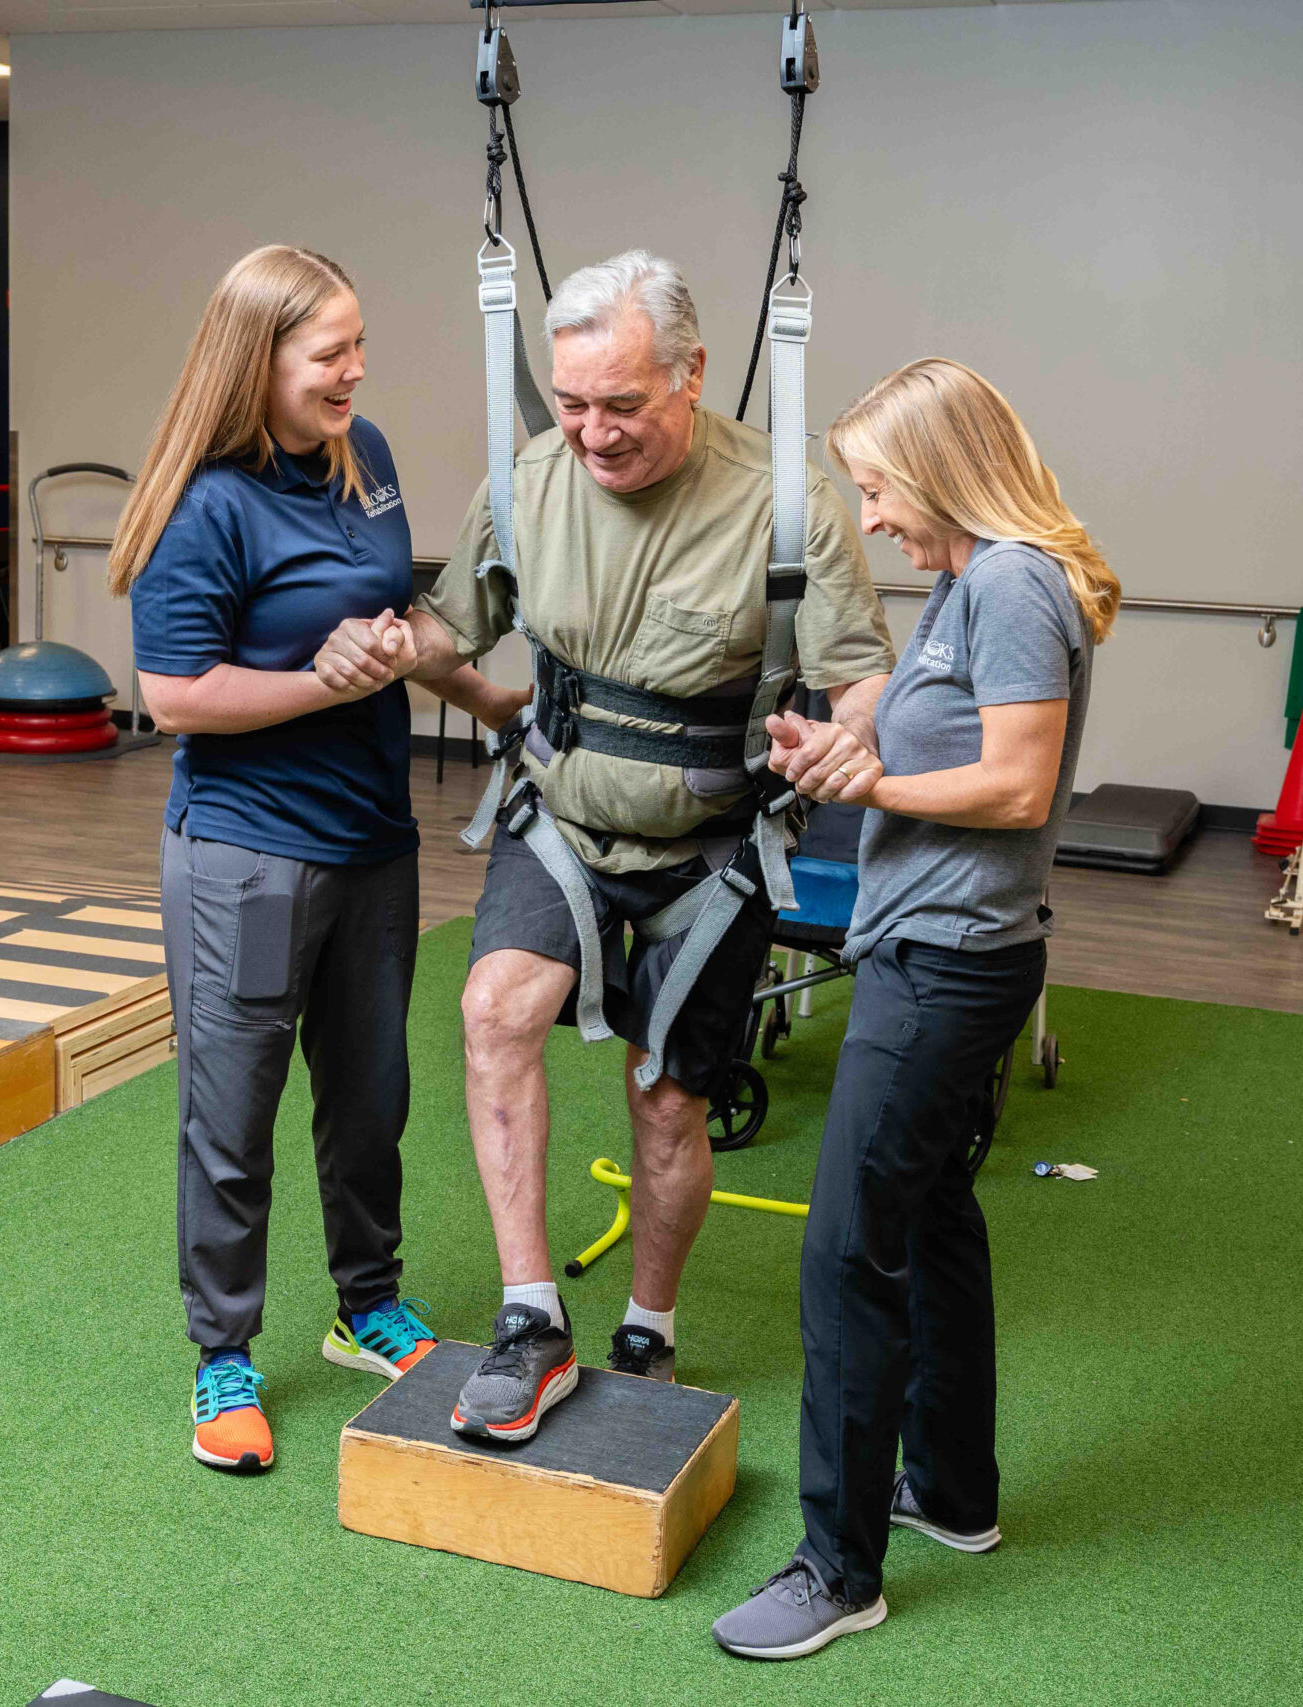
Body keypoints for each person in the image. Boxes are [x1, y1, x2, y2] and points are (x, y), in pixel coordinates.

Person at [321, 250, 896, 1439]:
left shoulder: (786, 505)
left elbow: (860, 678)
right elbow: (452, 622)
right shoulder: (528, 475)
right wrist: (389, 645)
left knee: (668, 1104)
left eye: (621, 405)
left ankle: (650, 1329)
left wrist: (848, 743)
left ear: (689, 376)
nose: (592, 432)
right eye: (573, 402)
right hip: (562, 818)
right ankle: (531, 1317)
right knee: (495, 1011)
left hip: (717, 848)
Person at [710, 358, 1118, 1659]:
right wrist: (844, 743)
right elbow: (915, 716)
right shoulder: (967, 582)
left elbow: (1015, 785)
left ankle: (840, 1568)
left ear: (941, 471)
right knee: (933, 1213)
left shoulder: (1010, 583)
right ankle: (951, 1487)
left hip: (945, 962)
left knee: (846, 1250)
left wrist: (874, 783)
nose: (872, 515)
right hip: (941, 944)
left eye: (879, 487)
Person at [112, 245, 525, 1474]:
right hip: (247, 856)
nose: (355, 370)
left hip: (370, 842)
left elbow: (394, 626)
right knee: (230, 1118)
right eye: (329, 352)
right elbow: (174, 696)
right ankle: (223, 1354)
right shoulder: (206, 504)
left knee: (370, 1097)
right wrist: (311, 680)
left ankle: (367, 1304)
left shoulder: (367, 457)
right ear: (261, 360)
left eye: (358, 345)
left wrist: (486, 699)